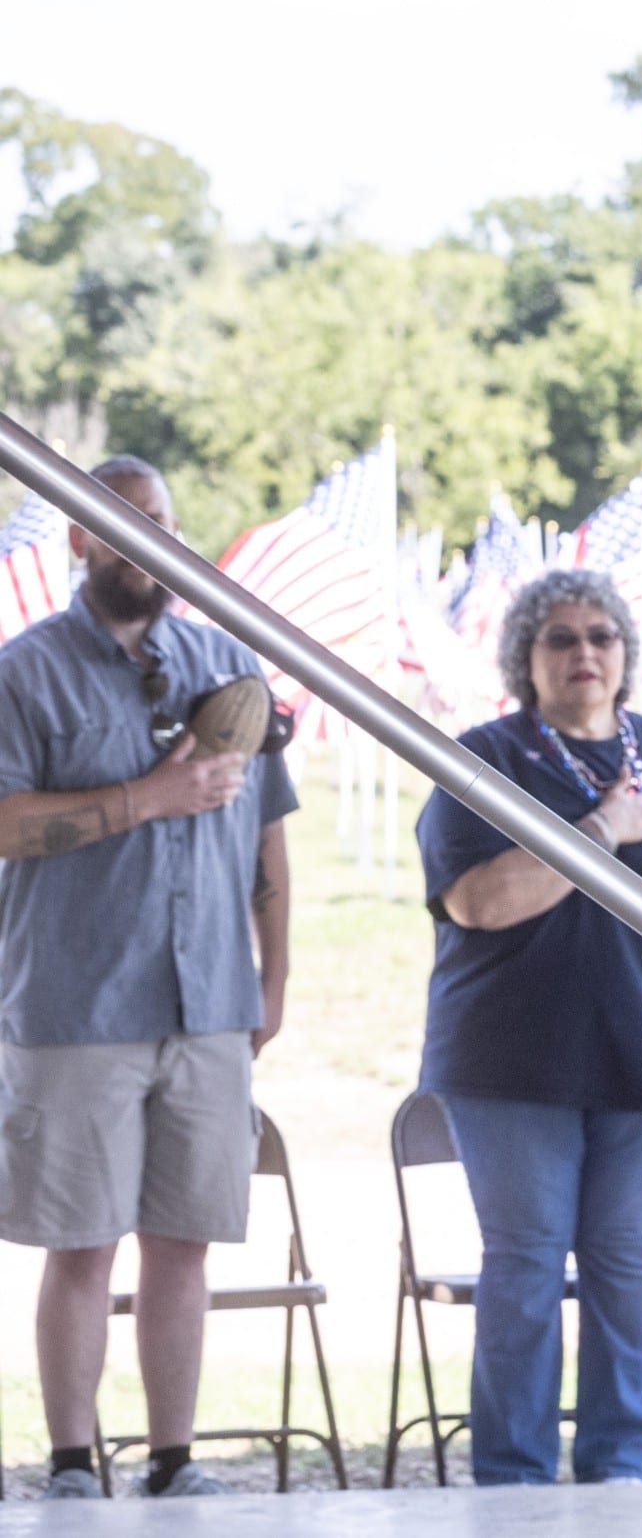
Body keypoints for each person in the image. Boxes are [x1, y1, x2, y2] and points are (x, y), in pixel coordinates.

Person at [415, 567, 642, 1487]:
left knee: (623, 1262)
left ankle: (618, 1472)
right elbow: (480, 901)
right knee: (526, 1264)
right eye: (560, 637)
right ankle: (514, 1478)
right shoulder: (483, 758)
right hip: (509, 1063)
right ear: (524, 657)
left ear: (626, 653)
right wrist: (605, 826)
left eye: (602, 635)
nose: (584, 652)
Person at [0, 455, 297, 1500]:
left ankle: (175, 1460)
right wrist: (145, 797)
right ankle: (71, 1464)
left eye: (163, 524)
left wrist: (273, 978)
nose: (149, 543)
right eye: (123, 524)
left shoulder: (224, 659)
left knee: (184, 1243)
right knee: (81, 1244)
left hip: (209, 1000)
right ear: (79, 537)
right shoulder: (23, 672)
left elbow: (268, 835)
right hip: (76, 1003)